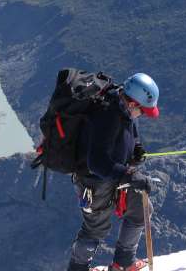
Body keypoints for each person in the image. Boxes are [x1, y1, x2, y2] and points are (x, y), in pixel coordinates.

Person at [67, 73, 160, 271]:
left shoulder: (122, 106)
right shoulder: (107, 114)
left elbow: (130, 130)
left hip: (118, 173)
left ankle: (124, 263)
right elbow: (97, 163)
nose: (142, 115)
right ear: (134, 104)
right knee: (95, 229)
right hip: (94, 182)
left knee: (141, 209)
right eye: (142, 111)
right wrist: (129, 175)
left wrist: (136, 148)